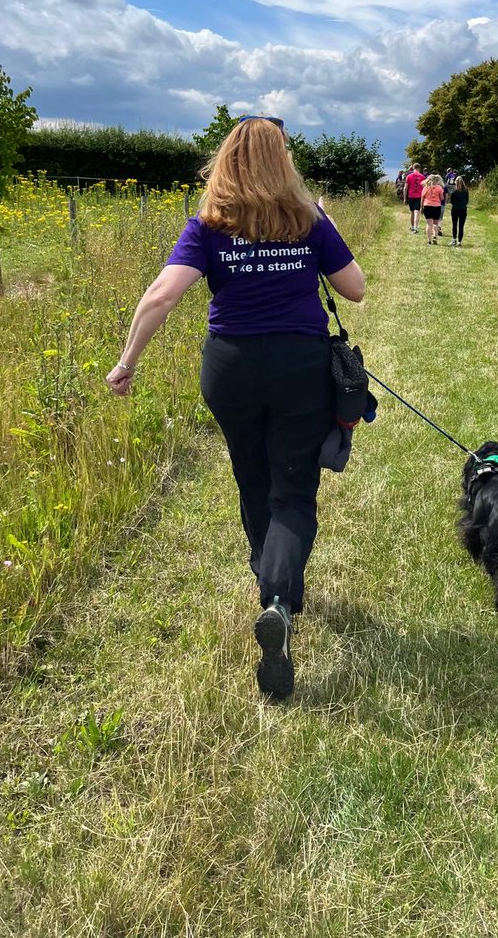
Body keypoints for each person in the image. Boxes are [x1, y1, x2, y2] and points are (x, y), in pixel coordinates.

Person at [106, 116, 366, 699]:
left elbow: (163, 294)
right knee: (293, 488)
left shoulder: (207, 225)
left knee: (251, 476)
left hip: (231, 369)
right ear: (285, 163)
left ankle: (267, 586)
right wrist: (326, 225)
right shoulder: (309, 221)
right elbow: (355, 288)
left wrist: (127, 362)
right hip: (300, 368)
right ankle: (280, 598)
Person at [420, 174, 445, 244]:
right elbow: (442, 198)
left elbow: (422, 198)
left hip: (427, 206)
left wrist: (421, 208)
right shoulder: (439, 188)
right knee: (436, 223)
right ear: (436, 180)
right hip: (437, 206)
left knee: (429, 224)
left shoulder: (425, 188)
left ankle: (429, 239)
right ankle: (434, 236)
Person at [403, 163, 425, 234]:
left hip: (411, 196)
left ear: (413, 168)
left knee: (412, 212)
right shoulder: (423, 177)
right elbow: (425, 188)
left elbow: (405, 188)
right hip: (419, 196)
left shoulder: (409, 176)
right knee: (417, 212)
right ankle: (415, 228)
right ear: (419, 168)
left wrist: (404, 198)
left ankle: (412, 227)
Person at [449, 176, 469, 246]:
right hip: (463, 209)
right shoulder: (466, 190)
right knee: (461, 226)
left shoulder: (454, 190)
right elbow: (467, 200)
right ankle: (459, 241)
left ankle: (454, 239)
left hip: (455, 209)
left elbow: (451, 201)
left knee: (454, 225)